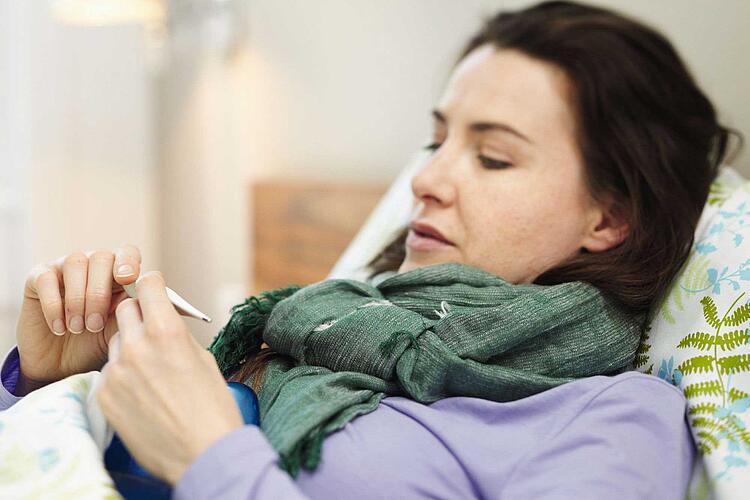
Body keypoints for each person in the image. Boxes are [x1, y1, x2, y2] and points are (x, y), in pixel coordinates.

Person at [1, 1, 742, 498]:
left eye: (492, 158)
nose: (423, 178)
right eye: (435, 139)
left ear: (608, 218)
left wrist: (212, 461)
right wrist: (52, 385)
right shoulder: (313, 327)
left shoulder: (611, 417)